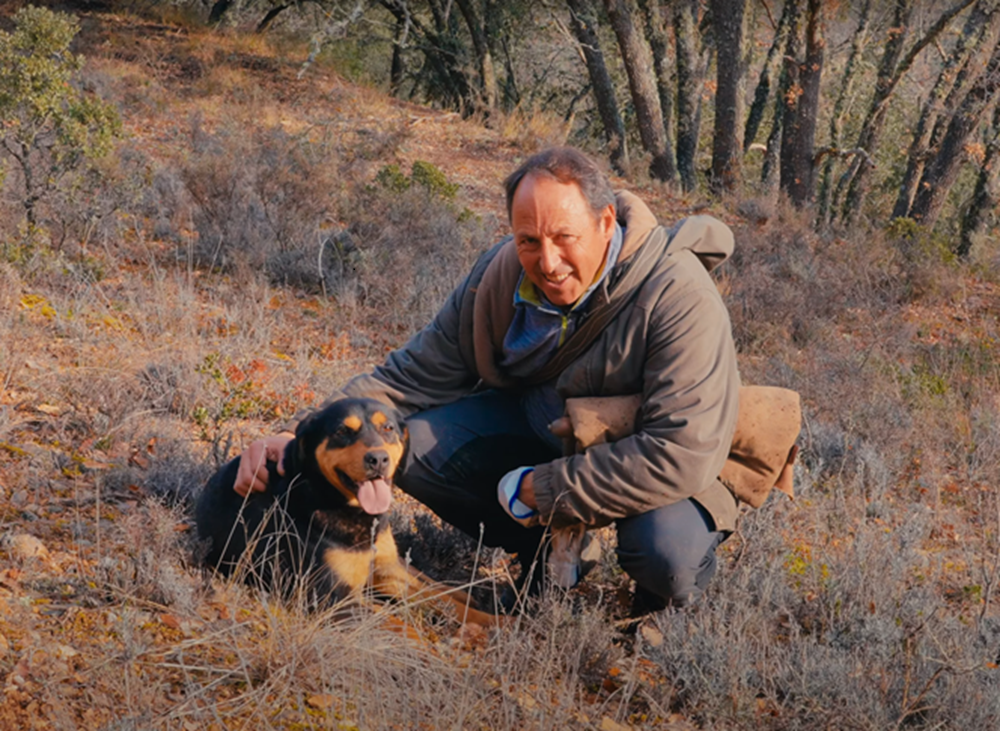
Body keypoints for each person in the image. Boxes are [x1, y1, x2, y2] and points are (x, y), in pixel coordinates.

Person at [233, 146, 741, 614]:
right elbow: (411, 375)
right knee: (412, 445)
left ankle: (663, 612)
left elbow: (681, 451)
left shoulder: (678, 295)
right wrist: (300, 435)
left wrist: (544, 490)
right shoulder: (499, 274)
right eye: (529, 241)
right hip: (543, 432)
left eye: (565, 238)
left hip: (658, 461)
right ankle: (543, 552)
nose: (547, 262)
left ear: (606, 222)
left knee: (666, 554)